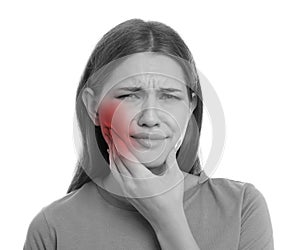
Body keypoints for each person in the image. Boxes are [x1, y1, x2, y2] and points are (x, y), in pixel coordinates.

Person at [23, 19, 274, 250]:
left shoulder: (242, 207)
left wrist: (170, 221)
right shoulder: (52, 228)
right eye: (129, 95)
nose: (150, 118)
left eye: (169, 96)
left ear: (190, 107)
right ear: (93, 107)